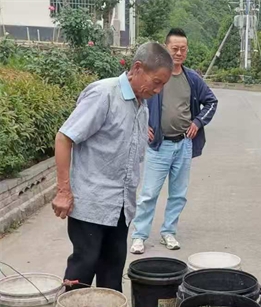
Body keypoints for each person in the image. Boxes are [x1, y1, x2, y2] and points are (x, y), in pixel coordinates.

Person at [52, 42, 173, 292]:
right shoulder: (104, 94)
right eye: (156, 82)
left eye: (163, 85)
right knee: (82, 270)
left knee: (112, 274)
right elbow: (64, 138)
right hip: (91, 205)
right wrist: (63, 191)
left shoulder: (141, 104)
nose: (158, 90)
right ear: (137, 68)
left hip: (121, 207)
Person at [131, 28, 218, 254]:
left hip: (184, 145)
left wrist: (198, 122)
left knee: (178, 194)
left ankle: (168, 232)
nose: (179, 53)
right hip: (158, 146)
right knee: (149, 194)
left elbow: (211, 102)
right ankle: (139, 236)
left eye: (183, 49)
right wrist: (143, 126)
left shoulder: (192, 78)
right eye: (175, 49)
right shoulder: (155, 75)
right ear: (165, 48)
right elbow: (134, 99)